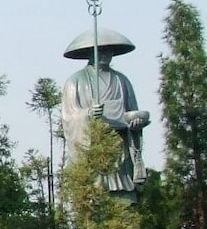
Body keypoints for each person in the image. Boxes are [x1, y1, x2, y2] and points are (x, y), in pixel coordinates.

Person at [59, 27, 150, 197]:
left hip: (119, 150)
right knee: (94, 196)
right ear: (90, 52)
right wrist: (87, 114)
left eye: (109, 50)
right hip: (93, 147)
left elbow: (132, 112)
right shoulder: (75, 81)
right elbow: (69, 117)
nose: (106, 54)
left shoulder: (122, 80)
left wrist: (135, 125)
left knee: (124, 202)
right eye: (101, 50)